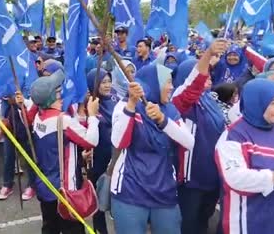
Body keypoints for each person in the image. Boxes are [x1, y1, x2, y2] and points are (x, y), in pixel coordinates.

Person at [110, 64, 194, 234]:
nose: (171, 87)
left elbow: (189, 142)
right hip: (130, 189)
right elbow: (119, 142)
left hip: (164, 190)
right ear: (154, 83)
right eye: (168, 82)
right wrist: (132, 105)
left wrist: (163, 120)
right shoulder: (124, 105)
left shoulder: (169, 110)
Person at [28, 69, 100, 234]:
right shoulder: (63, 120)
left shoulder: (38, 118)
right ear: (51, 98)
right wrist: (93, 115)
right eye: (58, 92)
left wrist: (77, 156)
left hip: (46, 188)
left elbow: (56, 148)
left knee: (49, 228)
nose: (61, 96)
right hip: (66, 192)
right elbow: (91, 140)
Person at [214, 79, 274, 234]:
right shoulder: (234, 136)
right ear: (256, 102)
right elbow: (236, 179)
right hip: (247, 222)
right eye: (273, 103)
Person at [171, 39, 228, 234]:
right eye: (204, 73)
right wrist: (207, 54)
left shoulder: (209, 98)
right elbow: (192, 86)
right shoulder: (180, 102)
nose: (208, 77)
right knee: (189, 223)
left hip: (212, 175)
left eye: (209, 74)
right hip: (191, 179)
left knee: (204, 221)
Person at [86, 68, 118, 234]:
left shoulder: (115, 99)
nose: (107, 85)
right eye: (102, 82)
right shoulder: (90, 104)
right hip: (97, 160)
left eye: (108, 81)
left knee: (116, 198)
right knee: (98, 199)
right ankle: (100, 230)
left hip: (116, 158)